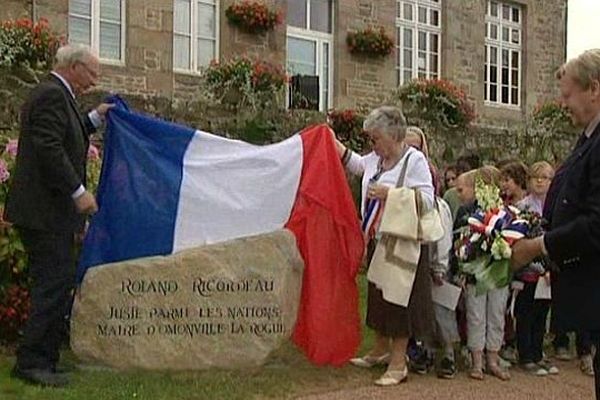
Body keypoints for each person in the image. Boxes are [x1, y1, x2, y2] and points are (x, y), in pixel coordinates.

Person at [4, 44, 113, 387]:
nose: (93, 82)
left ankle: (44, 360)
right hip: (44, 212)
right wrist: (79, 193)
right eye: (92, 73)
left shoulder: (56, 94)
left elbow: (67, 133)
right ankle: (32, 362)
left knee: (57, 281)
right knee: (52, 285)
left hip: (47, 213)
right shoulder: (51, 95)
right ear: (75, 66)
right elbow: (49, 148)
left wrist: (94, 118)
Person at [511, 49, 600, 399]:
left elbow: (597, 224)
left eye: (567, 95)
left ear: (593, 88)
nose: (563, 105)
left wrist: (538, 245)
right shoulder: (589, 138)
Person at [336, 106, 435, 386]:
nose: (372, 144)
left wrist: (390, 194)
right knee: (378, 298)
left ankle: (398, 362)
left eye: (376, 138)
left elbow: (428, 199)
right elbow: (356, 164)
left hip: (403, 245)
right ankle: (380, 350)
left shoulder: (414, 160)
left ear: (393, 135)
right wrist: (330, 141)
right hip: (378, 241)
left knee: (397, 302)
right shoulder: (376, 159)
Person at [454, 167, 511, 381]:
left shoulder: (506, 212)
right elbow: (458, 240)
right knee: (476, 315)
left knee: (496, 314)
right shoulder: (466, 212)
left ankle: (493, 358)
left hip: (498, 271)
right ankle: (477, 360)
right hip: (475, 272)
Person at [513, 161, 558, 376]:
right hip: (528, 271)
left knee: (542, 313)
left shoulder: (555, 206)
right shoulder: (523, 207)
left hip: (549, 273)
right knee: (526, 313)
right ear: (529, 181)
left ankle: (539, 353)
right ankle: (526, 355)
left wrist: (550, 269)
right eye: (535, 177)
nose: (540, 181)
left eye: (545, 177)